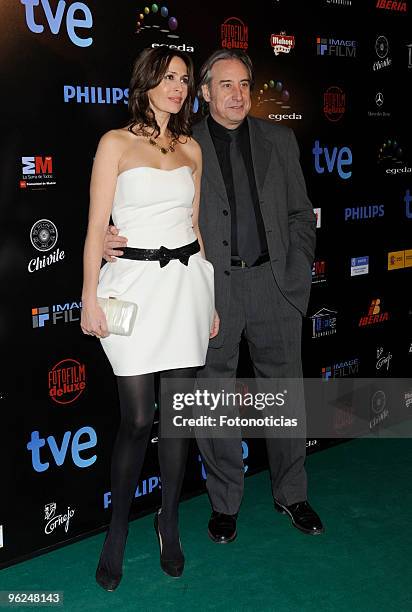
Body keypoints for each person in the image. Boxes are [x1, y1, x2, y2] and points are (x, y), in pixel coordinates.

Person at [103, 49, 323, 547]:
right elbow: (144, 207)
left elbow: (299, 214)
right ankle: (225, 503)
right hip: (211, 292)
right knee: (213, 401)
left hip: (274, 285)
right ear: (204, 92)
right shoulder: (182, 144)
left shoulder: (280, 140)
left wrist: (296, 275)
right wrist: (105, 237)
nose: (238, 94)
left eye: (244, 84)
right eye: (226, 85)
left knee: (284, 396)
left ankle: (292, 492)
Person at [81, 46, 218, 591]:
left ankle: (169, 523)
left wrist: (209, 298)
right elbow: (96, 227)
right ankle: (116, 531)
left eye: (185, 79)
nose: (178, 87)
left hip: (184, 287)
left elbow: (196, 226)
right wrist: (89, 297)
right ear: (146, 82)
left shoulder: (191, 148)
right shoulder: (115, 142)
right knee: (138, 420)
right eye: (168, 78)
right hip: (133, 289)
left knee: (177, 421)